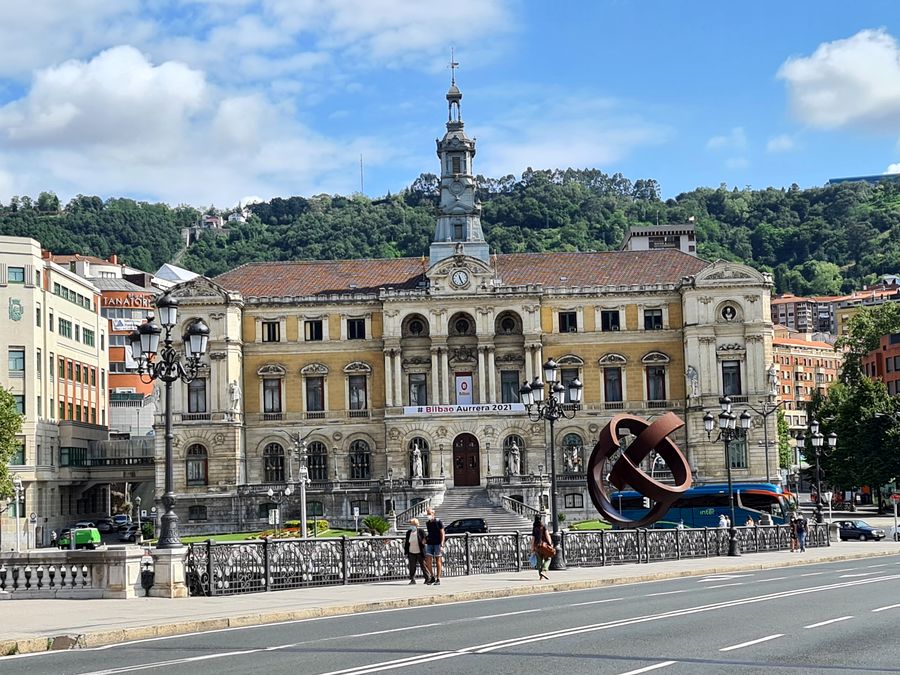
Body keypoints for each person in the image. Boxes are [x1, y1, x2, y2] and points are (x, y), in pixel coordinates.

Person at [404, 518, 428, 584]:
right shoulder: (408, 532)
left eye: (413, 524)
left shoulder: (421, 531)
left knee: (423, 565)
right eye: (411, 524)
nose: (412, 526)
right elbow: (407, 543)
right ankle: (412, 579)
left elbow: (425, 539)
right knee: (412, 566)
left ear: (417, 525)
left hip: (420, 551)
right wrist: (406, 552)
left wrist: (423, 541)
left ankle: (427, 578)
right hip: (411, 551)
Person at [424, 508, 445, 586]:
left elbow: (442, 533)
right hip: (430, 543)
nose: (428, 515)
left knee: (438, 560)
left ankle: (438, 578)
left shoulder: (438, 521)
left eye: (429, 513)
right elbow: (429, 533)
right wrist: (425, 539)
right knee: (428, 559)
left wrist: (442, 544)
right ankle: (432, 576)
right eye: (427, 514)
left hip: (437, 543)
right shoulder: (428, 523)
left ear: (433, 514)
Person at [532, 514, 553, 580]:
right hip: (544, 545)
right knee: (548, 558)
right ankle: (544, 570)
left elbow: (533, 538)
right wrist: (550, 544)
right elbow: (547, 535)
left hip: (537, 546)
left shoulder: (534, 527)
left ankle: (541, 576)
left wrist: (532, 547)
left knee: (539, 561)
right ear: (540, 519)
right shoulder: (543, 526)